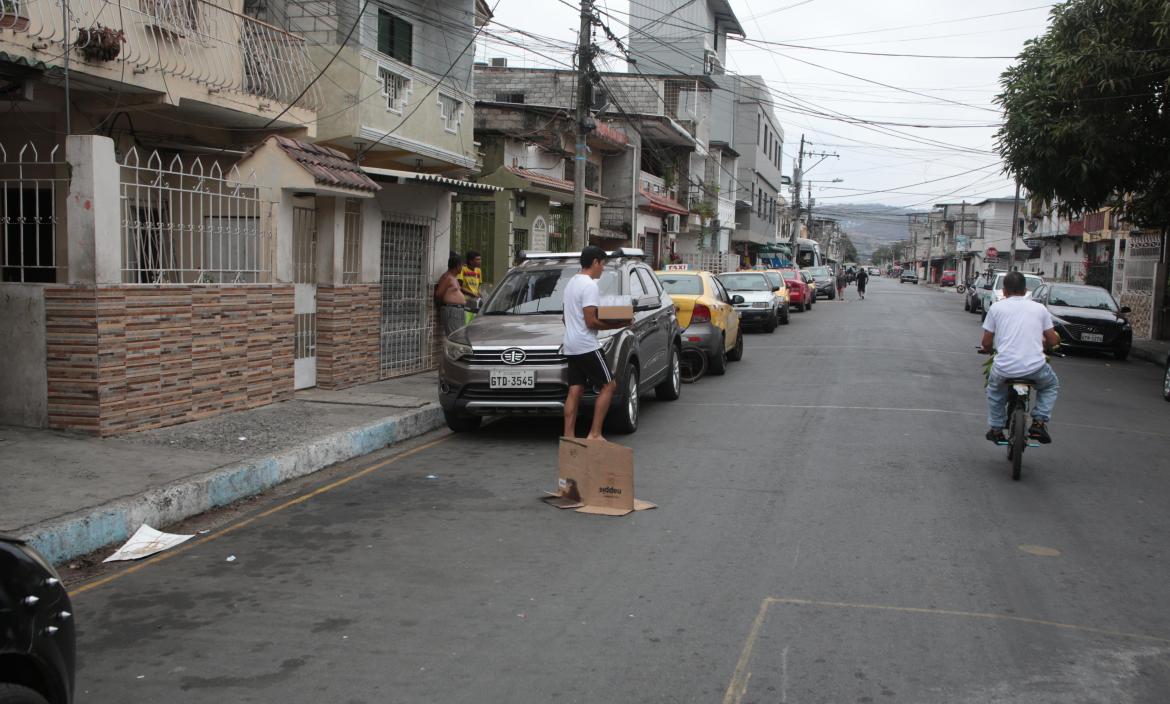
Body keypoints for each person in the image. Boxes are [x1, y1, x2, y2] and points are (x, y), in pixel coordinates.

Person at [979, 271, 1061, 445]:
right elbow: (1053, 340)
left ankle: (996, 428)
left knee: (995, 390)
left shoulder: (996, 308)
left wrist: (988, 349)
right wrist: (1045, 345)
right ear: (1025, 291)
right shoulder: (1040, 309)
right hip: (1035, 368)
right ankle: (1039, 422)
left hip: (1004, 368)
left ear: (1004, 291)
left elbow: (986, 342)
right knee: (1050, 385)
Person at [562, 245, 629, 440]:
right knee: (609, 385)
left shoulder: (571, 283)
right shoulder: (590, 285)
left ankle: (569, 436)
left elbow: (566, 318)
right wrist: (619, 323)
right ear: (595, 262)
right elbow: (591, 321)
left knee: (575, 389)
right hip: (586, 345)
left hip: (571, 344)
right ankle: (595, 433)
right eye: (602, 265)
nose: (602, 269)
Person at [435, 253, 466, 337]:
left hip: (457, 310)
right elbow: (438, 294)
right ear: (457, 266)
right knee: (455, 337)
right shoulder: (447, 277)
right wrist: (447, 304)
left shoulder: (454, 277)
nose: (462, 268)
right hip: (452, 310)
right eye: (461, 265)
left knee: (460, 336)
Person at [459, 250, 483, 324]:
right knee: (465, 325)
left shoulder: (478, 271)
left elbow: (478, 287)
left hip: (475, 303)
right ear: (470, 261)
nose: (480, 261)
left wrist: (480, 295)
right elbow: (459, 287)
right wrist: (471, 294)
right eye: (477, 259)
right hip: (465, 303)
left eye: (480, 259)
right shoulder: (463, 269)